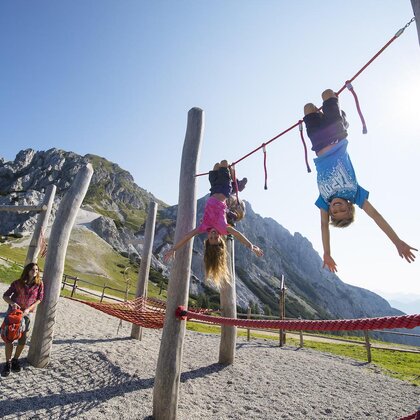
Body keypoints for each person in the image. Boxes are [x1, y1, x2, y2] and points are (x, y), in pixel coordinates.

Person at [303, 89, 417, 273]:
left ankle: (322, 115)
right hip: (336, 137)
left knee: (308, 108)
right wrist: (397, 242)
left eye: (335, 211)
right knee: (327, 94)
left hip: (318, 144)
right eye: (343, 210)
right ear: (350, 207)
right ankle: (341, 118)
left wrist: (327, 253)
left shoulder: (323, 201)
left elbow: (324, 226)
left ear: (330, 211)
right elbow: (376, 216)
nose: (337, 207)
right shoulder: (355, 193)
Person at [164, 160, 263, 284]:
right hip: (223, 190)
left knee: (216, 165)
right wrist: (251, 246)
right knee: (224, 163)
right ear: (220, 239)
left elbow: (187, 236)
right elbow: (238, 235)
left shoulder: (204, 227)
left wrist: (174, 248)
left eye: (211, 238)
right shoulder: (223, 229)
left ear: (207, 240)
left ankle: (235, 180)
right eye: (216, 238)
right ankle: (234, 179)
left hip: (213, 190)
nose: (214, 235)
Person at [1, 262, 44, 377]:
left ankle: (15, 360)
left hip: (27, 315)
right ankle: (8, 362)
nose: (34, 272)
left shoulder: (39, 284)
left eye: (36, 270)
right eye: (32, 269)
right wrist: (13, 303)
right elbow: (5, 296)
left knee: (23, 338)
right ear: (27, 270)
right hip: (14, 313)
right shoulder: (17, 283)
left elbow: (40, 298)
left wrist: (29, 309)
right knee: (9, 337)